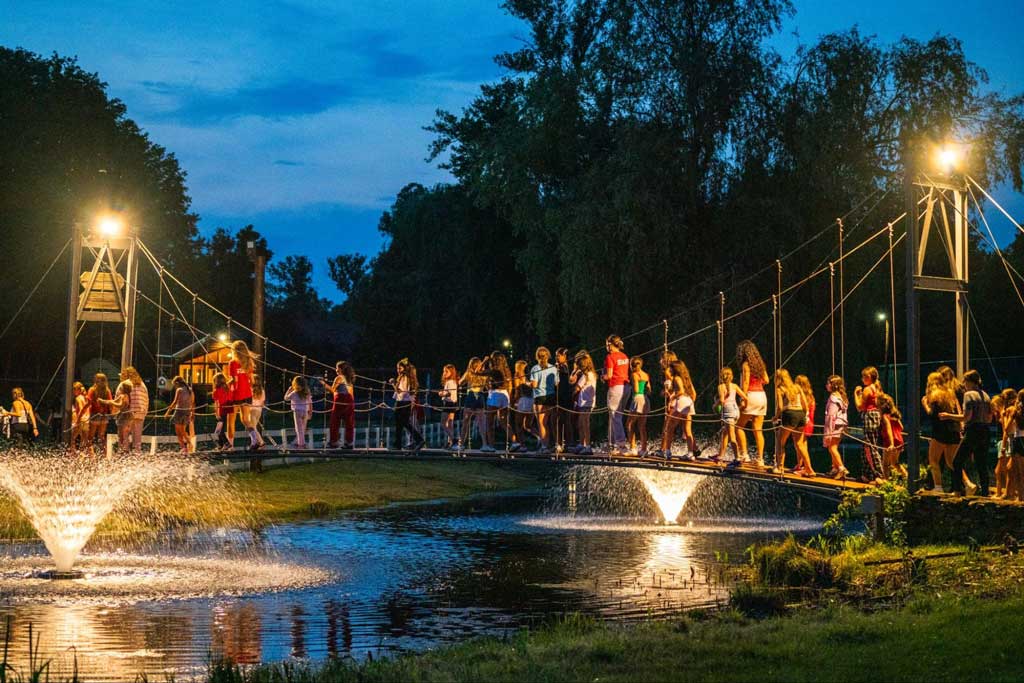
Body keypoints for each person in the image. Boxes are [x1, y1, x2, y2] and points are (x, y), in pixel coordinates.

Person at [942, 370, 993, 496]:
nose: (964, 384)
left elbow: (967, 417)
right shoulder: (986, 395)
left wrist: (948, 416)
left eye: (965, 381)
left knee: (957, 461)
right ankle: (985, 493)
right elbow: (990, 418)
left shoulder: (968, 395)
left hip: (973, 430)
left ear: (969, 381)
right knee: (981, 463)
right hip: (985, 430)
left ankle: (957, 490)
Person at [921, 371, 964, 493]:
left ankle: (938, 487)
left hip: (939, 432)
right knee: (951, 462)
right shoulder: (950, 394)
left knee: (933, 460)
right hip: (953, 431)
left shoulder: (934, 396)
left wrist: (925, 405)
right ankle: (964, 484)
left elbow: (933, 415)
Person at [735, 341, 770, 467]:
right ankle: (760, 458)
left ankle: (744, 455)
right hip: (762, 396)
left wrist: (743, 398)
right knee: (758, 429)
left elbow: (745, 382)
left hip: (751, 395)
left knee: (737, 426)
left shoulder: (746, 365)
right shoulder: (760, 364)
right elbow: (766, 380)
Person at [228, 340, 263, 452]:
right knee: (245, 419)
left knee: (231, 420)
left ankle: (230, 445)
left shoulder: (233, 363)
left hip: (237, 395)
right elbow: (251, 380)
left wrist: (226, 385)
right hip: (247, 394)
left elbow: (234, 380)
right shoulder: (248, 362)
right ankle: (255, 440)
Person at [772, 369, 808, 475]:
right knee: (800, 444)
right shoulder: (797, 387)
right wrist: (803, 414)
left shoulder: (780, 389)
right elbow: (805, 403)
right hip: (801, 414)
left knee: (780, 442)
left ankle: (780, 467)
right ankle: (809, 468)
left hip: (789, 415)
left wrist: (775, 417)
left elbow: (780, 407)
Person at [661, 360, 697, 461]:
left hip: (681, 402)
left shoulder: (677, 378)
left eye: (671, 368)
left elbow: (680, 391)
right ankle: (690, 453)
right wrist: (690, 403)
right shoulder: (687, 378)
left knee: (669, 427)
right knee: (687, 430)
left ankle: (667, 452)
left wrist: (672, 399)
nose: (669, 370)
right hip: (688, 402)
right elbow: (694, 394)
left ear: (675, 369)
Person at [853, 366, 884, 483]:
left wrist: (856, 394)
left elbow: (860, 407)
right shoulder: (877, 388)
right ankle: (866, 474)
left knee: (870, 446)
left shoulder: (867, 389)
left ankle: (879, 475)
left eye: (864, 377)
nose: (862, 379)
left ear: (869, 377)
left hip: (869, 416)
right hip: (876, 416)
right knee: (866, 446)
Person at [603, 335, 630, 452]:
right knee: (616, 416)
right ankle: (611, 444)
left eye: (607, 344)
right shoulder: (625, 356)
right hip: (627, 387)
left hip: (615, 387)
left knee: (614, 416)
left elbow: (609, 375)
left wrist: (602, 377)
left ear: (610, 344)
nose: (606, 347)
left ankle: (621, 444)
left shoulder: (610, 357)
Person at [529, 346, 559, 453]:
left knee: (541, 423)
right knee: (550, 422)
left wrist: (528, 383)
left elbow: (534, 385)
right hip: (551, 396)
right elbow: (556, 383)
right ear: (548, 356)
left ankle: (544, 446)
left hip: (539, 397)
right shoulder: (553, 368)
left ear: (537, 357)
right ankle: (553, 444)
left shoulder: (535, 368)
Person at [391, 358, 424, 451]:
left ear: (405, 369)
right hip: (405, 402)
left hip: (402, 402)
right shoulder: (409, 378)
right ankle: (398, 444)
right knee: (402, 423)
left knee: (403, 423)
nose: (398, 370)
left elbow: (400, 391)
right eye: (397, 368)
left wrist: (393, 383)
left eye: (400, 368)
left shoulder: (404, 377)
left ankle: (418, 439)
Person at [717, 366, 747, 463]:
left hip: (728, 411)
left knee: (732, 436)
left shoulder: (721, 387)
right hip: (736, 411)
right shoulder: (734, 386)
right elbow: (745, 397)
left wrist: (715, 404)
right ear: (732, 376)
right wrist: (743, 407)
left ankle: (737, 457)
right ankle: (720, 455)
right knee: (725, 433)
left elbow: (722, 400)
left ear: (722, 376)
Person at [823, 375, 850, 479]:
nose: (826, 385)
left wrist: (828, 431)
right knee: (834, 447)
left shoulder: (833, 397)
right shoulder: (841, 396)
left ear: (833, 385)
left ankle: (841, 468)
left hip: (835, 424)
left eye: (828, 383)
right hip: (841, 424)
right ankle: (835, 468)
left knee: (832, 447)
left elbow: (831, 415)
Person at [483, 352, 511, 452]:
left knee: (489, 422)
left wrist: (484, 361)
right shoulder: (506, 371)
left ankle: (491, 446)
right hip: (505, 394)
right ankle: (515, 442)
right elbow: (510, 384)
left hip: (494, 395)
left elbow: (477, 372)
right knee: (503, 421)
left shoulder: (493, 370)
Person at [571, 351, 597, 455]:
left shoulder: (585, 376)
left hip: (585, 403)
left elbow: (576, 388)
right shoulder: (592, 374)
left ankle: (588, 446)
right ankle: (582, 444)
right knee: (581, 424)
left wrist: (574, 372)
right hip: (586, 403)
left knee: (584, 424)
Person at [626, 356, 652, 456]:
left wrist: (630, 384)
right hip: (645, 399)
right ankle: (644, 449)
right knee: (642, 426)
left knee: (629, 424)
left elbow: (636, 390)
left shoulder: (634, 375)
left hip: (637, 399)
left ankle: (632, 448)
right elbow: (649, 390)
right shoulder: (646, 375)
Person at [459, 357, 486, 451]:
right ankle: (485, 444)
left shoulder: (468, 373)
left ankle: (461, 444)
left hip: (470, 395)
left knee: (466, 422)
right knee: (481, 422)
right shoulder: (483, 374)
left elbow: (460, 383)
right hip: (480, 396)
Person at [328, 361, 356, 448]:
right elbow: (351, 393)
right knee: (349, 422)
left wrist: (324, 384)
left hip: (340, 399)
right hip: (349, 400)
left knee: (335, 421)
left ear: (340, 369)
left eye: (337, 368)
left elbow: (332, 390)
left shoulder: (339, 378)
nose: (336, 369)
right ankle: (349, 442)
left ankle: (334, 441)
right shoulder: (349, 379)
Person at [994, 389, 1016, 499]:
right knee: (1004, 469)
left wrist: (1003, 446)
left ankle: (1008, 493)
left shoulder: (1007, 411)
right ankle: (1006, 493)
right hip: (1007, 440)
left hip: (1007, 440)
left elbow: (1005, 430)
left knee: (1008, 469)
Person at [878, 393, 906, 479]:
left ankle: (886, 482)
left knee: (885, 464)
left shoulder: (885, 416)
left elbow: (888, 429)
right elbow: (901, 427)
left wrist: (891, 444)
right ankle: (906, 476)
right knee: (895, 462)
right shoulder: (894, 415)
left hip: (890, 441)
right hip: (899, 440)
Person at [102, 377, 133, 453]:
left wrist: (111, 403)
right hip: (126, 416)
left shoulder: (124, 396)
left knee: (122, 434)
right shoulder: (126, 395)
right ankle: (123, 448)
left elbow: (120, 405)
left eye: (121, 387)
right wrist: (104, 401)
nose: (120, 388)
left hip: (124, 416)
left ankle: (123, 449)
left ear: (124, 388)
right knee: (124, 434)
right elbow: (113, 401)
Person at [794, 375, 816, 476]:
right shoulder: (811, 396)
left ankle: (807, 467)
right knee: (802, 445)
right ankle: (800, 465)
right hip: (809, 422)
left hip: (802, 422)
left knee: (799, 444)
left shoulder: (800, 396)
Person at [164, 376, 194, 454]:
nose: (175, 387)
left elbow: (175, 402)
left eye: (174, 385)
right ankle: (186, 447)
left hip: (179, 412)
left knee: (179, 431)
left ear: (177, 383)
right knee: (183, 430)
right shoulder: (190, 390)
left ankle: (187, 445)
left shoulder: (179, 390)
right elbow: (192, 403)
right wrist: (192, 413)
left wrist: (167, 412)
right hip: (187, 412)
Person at [123, 366, 149, 453]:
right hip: (140, 412)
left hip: (129, 411)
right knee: (137, 435)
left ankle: (125, 450)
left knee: (125, 432)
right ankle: (137, 452)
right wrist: (144, 412)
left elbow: (120, 396)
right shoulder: (143, 385)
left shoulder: (126, 383)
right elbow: (146, 400)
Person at [85, 373, 112, 455]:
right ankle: (104, 455)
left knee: (90, 437)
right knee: (101, 437)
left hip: (95, 414)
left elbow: (88, 402)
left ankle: (91, 456)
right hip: (104, 416)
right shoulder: (107, 391)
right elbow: (110, 403)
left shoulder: (92, 390)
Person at [555, 348, 575, 452]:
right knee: (558, 420)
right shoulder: (557, 367)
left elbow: (570, 379)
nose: (557, 358)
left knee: (567, 421)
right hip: (559, 396)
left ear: (564, 356)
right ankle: (558, 443)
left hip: (567, 396)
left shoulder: (569, 367)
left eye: (558, 355)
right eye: (556, 356)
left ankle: (569, 443)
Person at [511, 360, 534, 453]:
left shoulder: (517, 375)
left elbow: (517, 389)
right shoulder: (527, 375)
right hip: (531, 399)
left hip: (522, 400)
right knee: (527, 425)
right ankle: (541, 438)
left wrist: (514, 402)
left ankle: (522, 445)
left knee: (518, 424)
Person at [285, 376, 313, 449]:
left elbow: (286, 398)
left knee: (299, 429)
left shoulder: (294, 393)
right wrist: (310, 412)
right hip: (305, 411)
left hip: (297, 411)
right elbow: (310, 402)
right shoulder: (307, 392)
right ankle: (299, 442)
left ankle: (301, 444)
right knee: (303, 428)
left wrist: (289, 390)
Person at [438, 364, 460, 449]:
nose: (444, 373)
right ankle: (450, 442)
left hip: (448, 403)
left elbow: (449, 393)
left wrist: (441, 393)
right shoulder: (454, 381)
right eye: (444, 371)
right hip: (453, 403)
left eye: (446, 371)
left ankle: (453, 439)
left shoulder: (449, 382)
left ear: (451, 372)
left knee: (443, 423)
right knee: (450, 423)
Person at [211, 372, 234, 451]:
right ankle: (220, 445)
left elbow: (217, 403)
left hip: (221, 410)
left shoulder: (216, 391)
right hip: (229, 410)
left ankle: (227, 443)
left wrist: (216, 413)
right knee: (220, 428)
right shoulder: (228, 389)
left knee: (219, 430)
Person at [71, 381, 90, 453]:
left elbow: (80, 410)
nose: (73, 391)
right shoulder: (85, 398)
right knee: (84, 439)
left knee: (72, 438)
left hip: (81, 420)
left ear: (77, 389)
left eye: (74, 389)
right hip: (87, 420)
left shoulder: (78, 398)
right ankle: (83, 454)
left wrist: (77, 421)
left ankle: (74, 453)